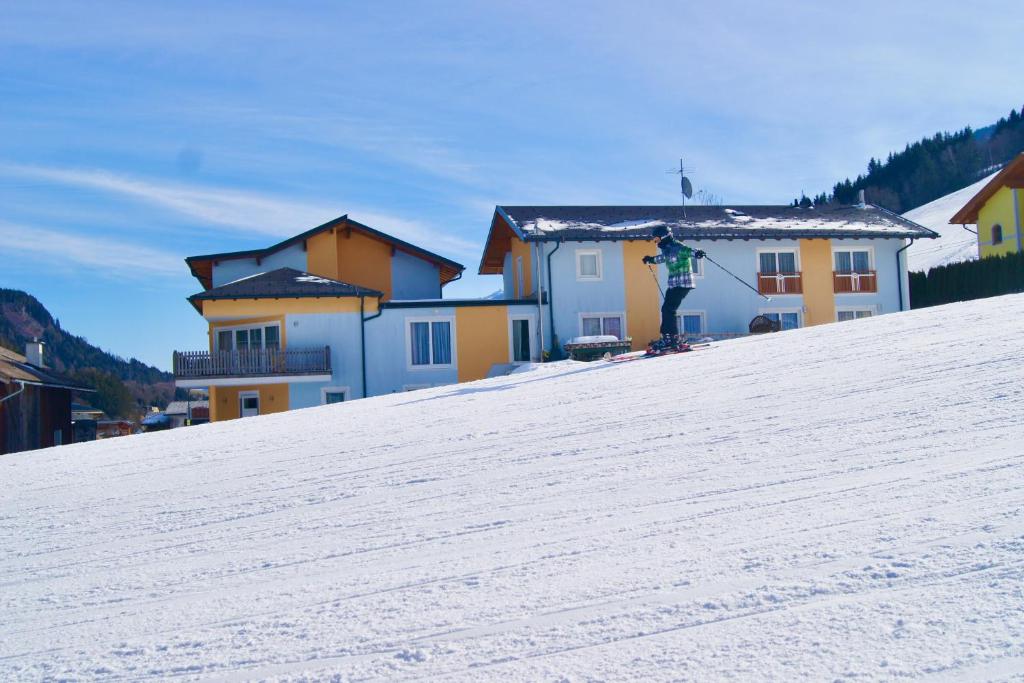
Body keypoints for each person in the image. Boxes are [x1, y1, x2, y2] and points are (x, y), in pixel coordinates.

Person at [642, 225, 705, 352]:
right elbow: (661, 258)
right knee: (666, 309)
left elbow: (689, 251)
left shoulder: (677, 247)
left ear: (664, 237)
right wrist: (650, 259)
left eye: (657, 239)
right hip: (673, 284)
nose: (656, 242)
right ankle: (668, 337)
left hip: (683, 283)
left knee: (668, 309)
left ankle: (672, 338)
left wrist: (697, 253)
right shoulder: (667, 250)